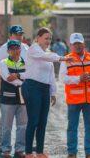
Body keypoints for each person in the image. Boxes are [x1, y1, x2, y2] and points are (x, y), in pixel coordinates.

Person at [22, 27, 72, 158]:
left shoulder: (49, 54)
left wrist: (53, 92)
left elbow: (51, 76)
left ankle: (39, 151)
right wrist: (62, 58)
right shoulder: (33, 49)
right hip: (32, 87)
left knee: (43, 122)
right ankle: (28, 152)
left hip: (44, 89)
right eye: (46, 38)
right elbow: (45, 56)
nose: (48, 41)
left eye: (50, 38)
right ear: (38, 38)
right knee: (33, 120)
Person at [59, 33, 90, 158]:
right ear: (71, 45)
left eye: (79, 43)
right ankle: (72, 152)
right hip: (73, 100)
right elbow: (62, 78)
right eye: (75, 44)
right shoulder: (67, 59)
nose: (77, 46)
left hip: (89, 99)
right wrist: (78, 78)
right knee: (72, 127)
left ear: (84, 43)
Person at [0, 25, 29, 153]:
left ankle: (20, 149)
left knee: (22, 125)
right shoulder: (3, 59)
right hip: (8, 96)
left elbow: (30, 74)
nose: (15, 50)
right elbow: (6, 76)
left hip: (23, 97)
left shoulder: (26, 55)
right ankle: (5, 149)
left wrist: (19, 76)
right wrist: (21, 80)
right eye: (12, 48)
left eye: (17, 48)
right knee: (6, 125)